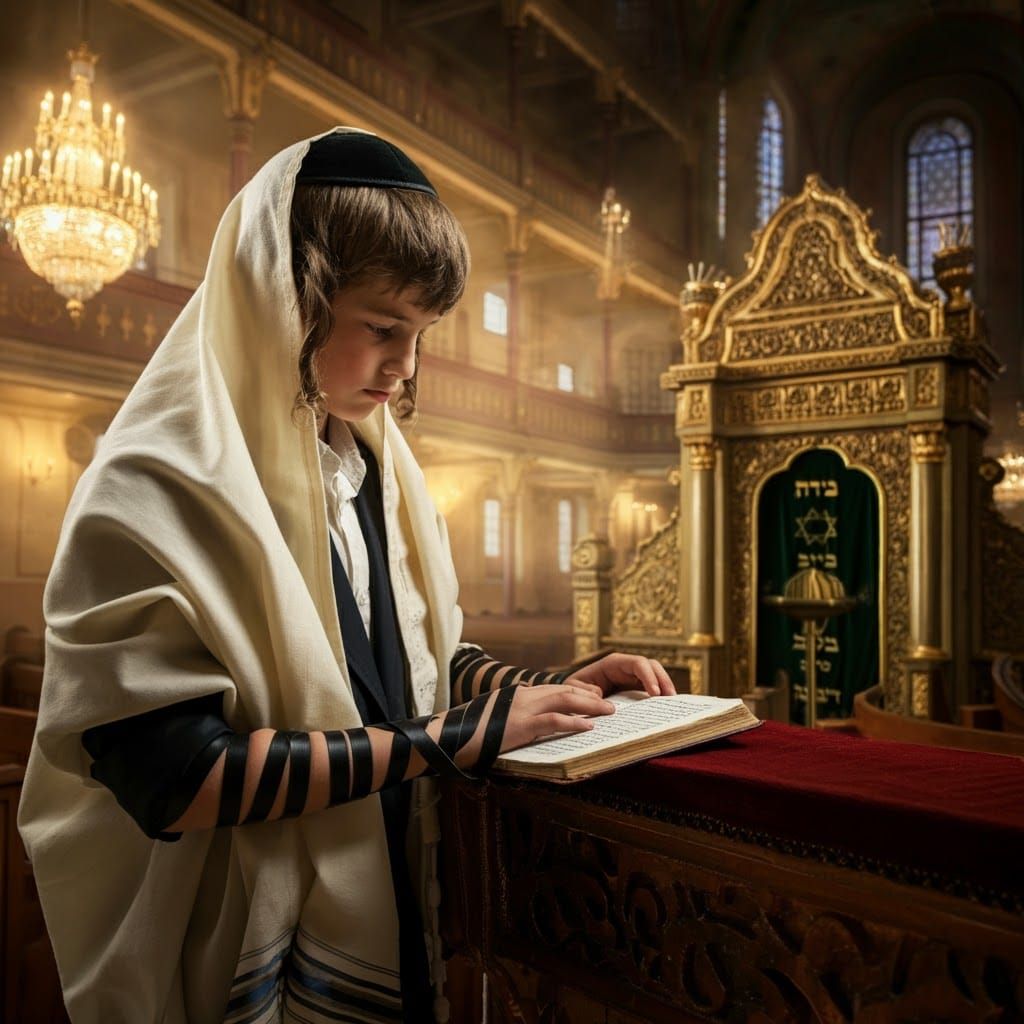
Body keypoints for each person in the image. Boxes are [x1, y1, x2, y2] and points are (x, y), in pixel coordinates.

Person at [18, 128, 674, 1024]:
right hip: (229, 941)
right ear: (284, 298)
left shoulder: (372, 467)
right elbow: (177, 777)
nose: (405, 367)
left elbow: (406, 660)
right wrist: (453, 740)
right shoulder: (148, 486)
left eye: (421, 334)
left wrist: (545, 689)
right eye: (382, 328)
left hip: (392, 883)